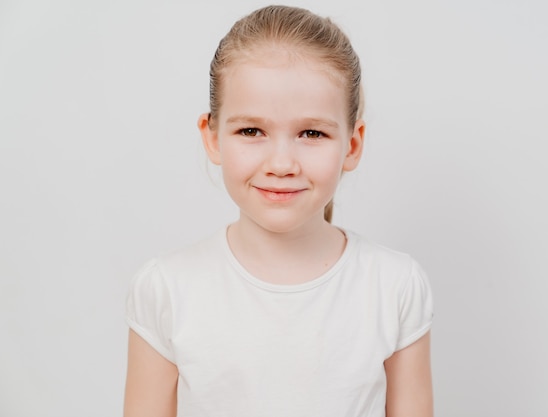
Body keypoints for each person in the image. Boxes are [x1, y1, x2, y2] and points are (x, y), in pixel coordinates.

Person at [123, 5, 434, 417]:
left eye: (311, 133)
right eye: (251, 131)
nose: (282, 163)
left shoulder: (394, 286)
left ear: (353, 144)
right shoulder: (166, 289)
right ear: (213, 137)